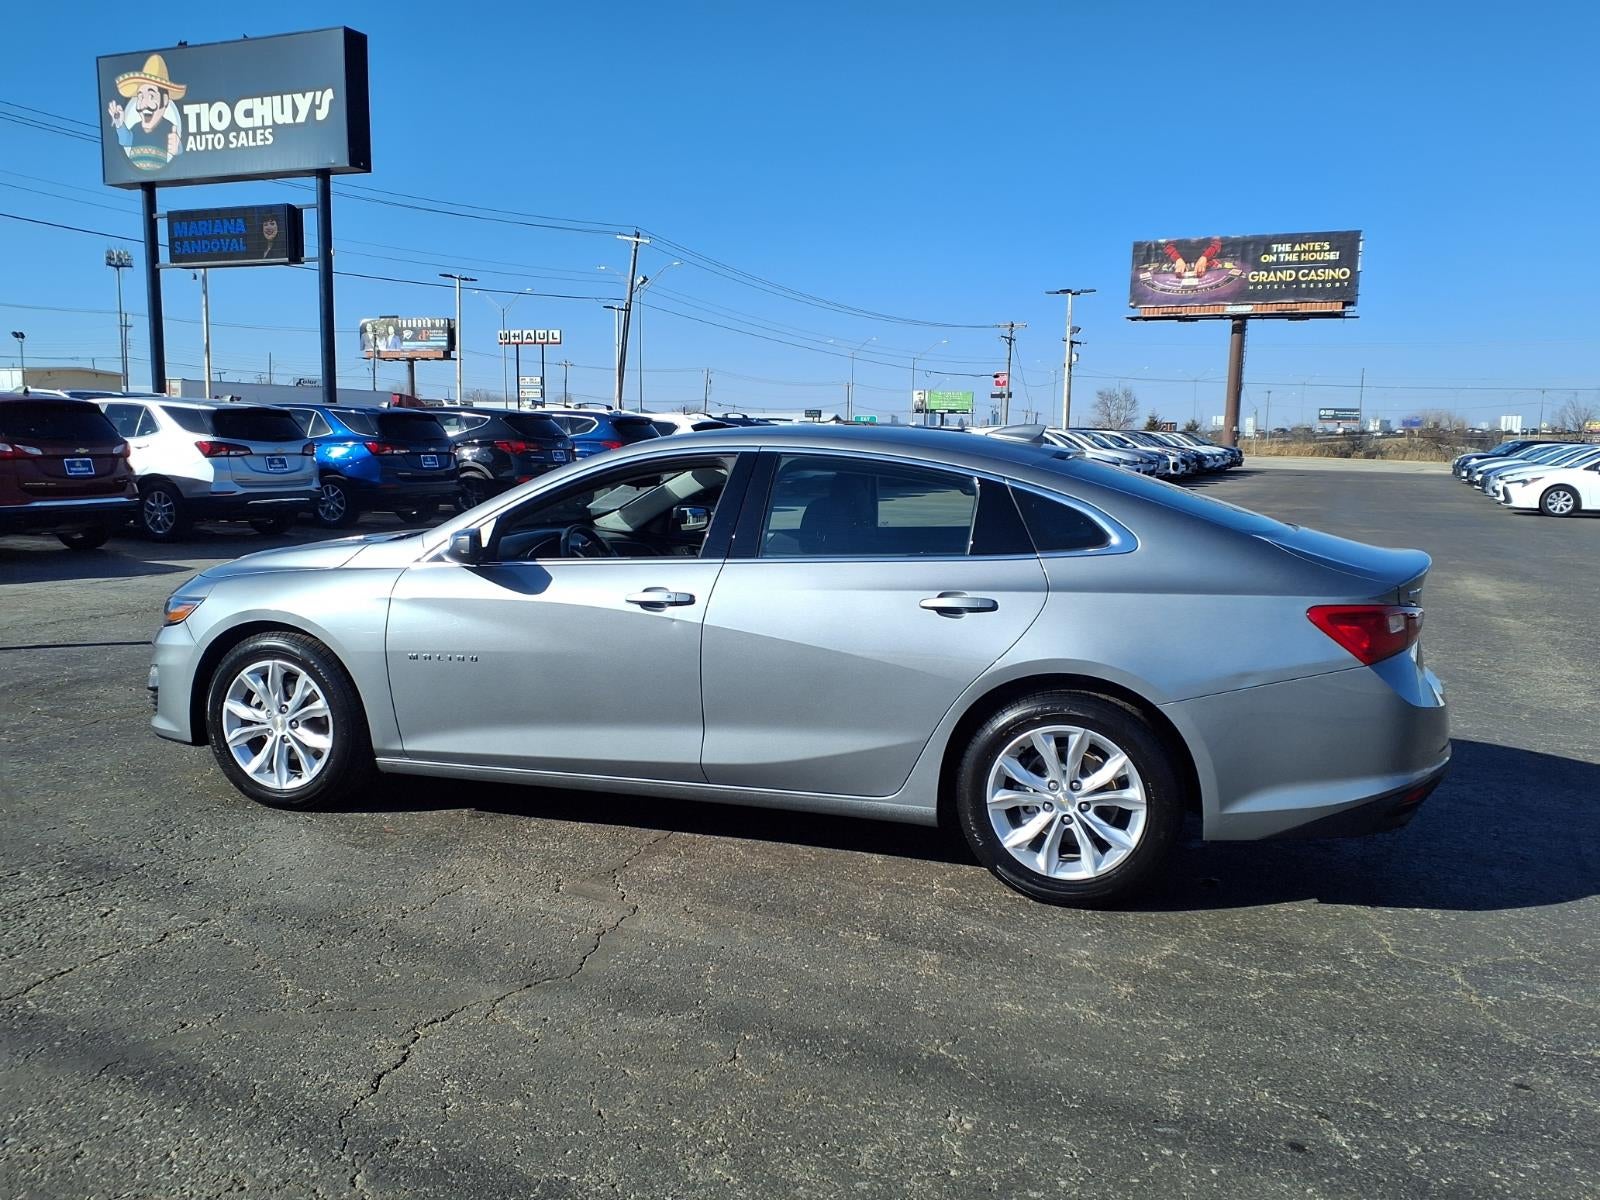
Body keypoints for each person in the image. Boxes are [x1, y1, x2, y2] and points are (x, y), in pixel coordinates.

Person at [107, 54, 185, 171]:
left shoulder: (169, 129)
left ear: (164, 100)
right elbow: (125, 141)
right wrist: (119, 124)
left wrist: (178, 150)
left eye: (151, 96)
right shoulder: (136, 128)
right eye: (140, 96)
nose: (143, 104)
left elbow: (185, 161)